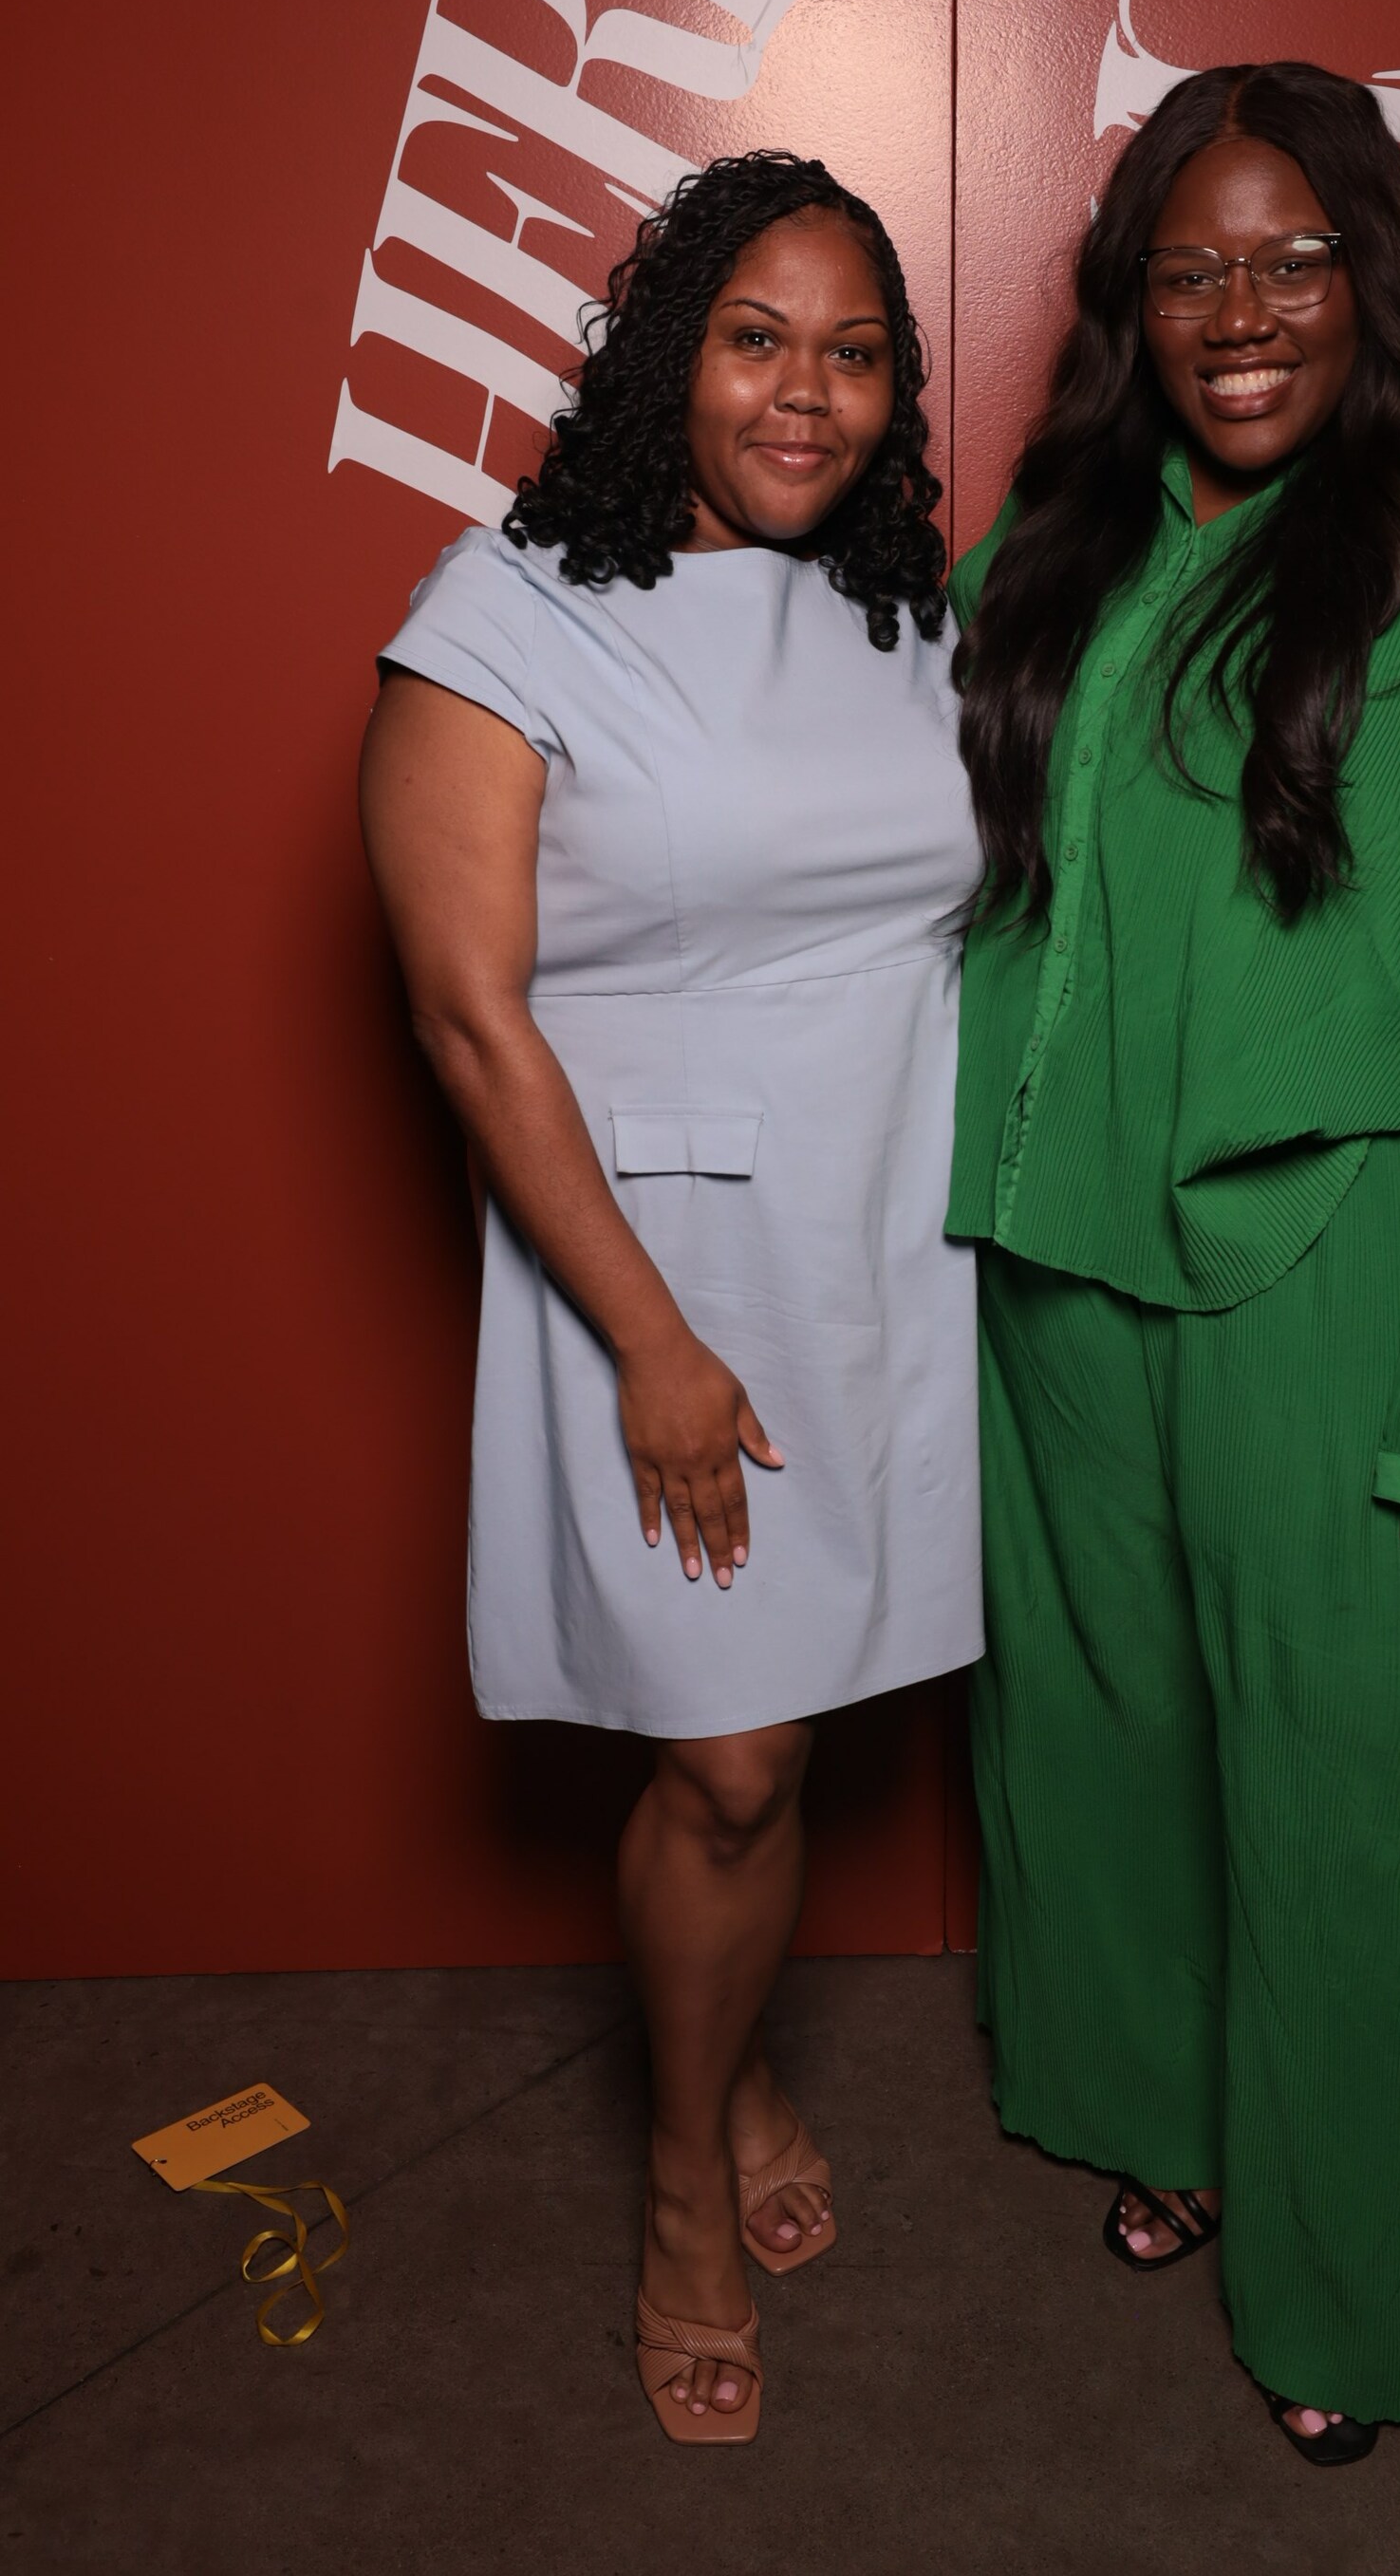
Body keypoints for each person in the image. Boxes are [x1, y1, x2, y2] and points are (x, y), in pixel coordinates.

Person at [947, 63, 1400, 2462]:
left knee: (1354, 1805)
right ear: (1129, 303)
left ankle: (1345, 2303)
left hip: (1348, 1276)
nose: (1240, 312)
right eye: (1188, 270)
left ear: (1377, 274)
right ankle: (1171, 2127)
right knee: (1115, 1749)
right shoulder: (1064, 530)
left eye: (1292, 258)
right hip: (1064, 1270)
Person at [360, 152, 981, 2445]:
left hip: (888, 1253)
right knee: (724, 1761)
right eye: (754, 338)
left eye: (853, 353)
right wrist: (647, 1341)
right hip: (664, 1274)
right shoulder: (507, 613)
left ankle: (728, 2082)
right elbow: (468, 1022)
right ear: (663, 360)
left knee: (784, 1741)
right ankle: (681, 2180)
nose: (804, 393)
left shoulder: (908, 619)